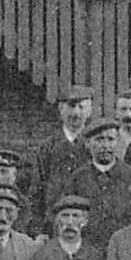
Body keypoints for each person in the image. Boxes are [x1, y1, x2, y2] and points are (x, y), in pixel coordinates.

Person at [52, 117, 131, 247]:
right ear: (88, 144)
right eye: (99, 139)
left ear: (118, 142)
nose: (105, 146)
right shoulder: (78, 178)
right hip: (88, 249)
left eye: (110, 139)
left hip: (124, 247)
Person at [34, 85, 97, 226]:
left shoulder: (95, 146)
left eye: (81, 107)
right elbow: (37, 190)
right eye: (70, 107)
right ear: (61, 110)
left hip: (88, 223)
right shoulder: (47, 147)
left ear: (90, 111)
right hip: (54, 222)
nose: (75, 113)